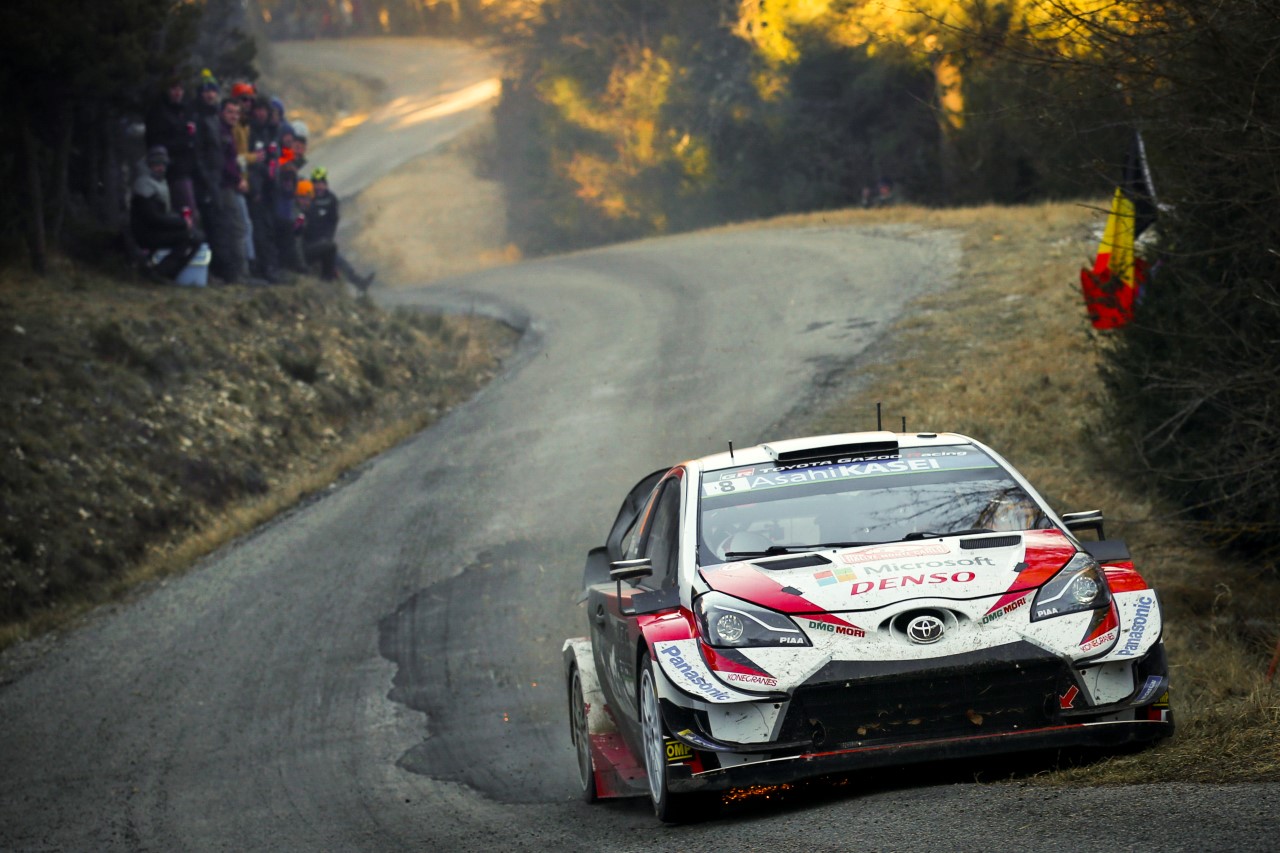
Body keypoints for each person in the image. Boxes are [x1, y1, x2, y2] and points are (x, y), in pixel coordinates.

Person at [131, 145, 203, 280]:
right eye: (157, 165)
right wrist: (182, 223)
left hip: (155, 229)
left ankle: (166, 272)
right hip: (147, 233)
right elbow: (152, 217)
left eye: (163, 165)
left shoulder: (159, 181)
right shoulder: (144, 184)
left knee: (196, 236)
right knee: (190, 237)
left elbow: (162, 214)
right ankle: (161, 272)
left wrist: (180, 217)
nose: (161, 168)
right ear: (150, 164)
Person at [298, 167, 374, 289]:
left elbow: (333, 222)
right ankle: (336, 282)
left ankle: (358, 281)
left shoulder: (331, 199)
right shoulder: (307, 199)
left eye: (321, 183)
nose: (319, 187)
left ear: (325, 184)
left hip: (322, 240)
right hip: (307, 243)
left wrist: (327, 237)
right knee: (332, 255)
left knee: (337, 258)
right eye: (316, 183)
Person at [144, 77, 199, 219]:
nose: (178, 93)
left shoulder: (184, 111)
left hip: (188, 169)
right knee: (186, 212)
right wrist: (186, 141)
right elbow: (158, 142)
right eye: (174, 89)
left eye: (180, 89)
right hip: (174, 171)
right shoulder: (159, 113)